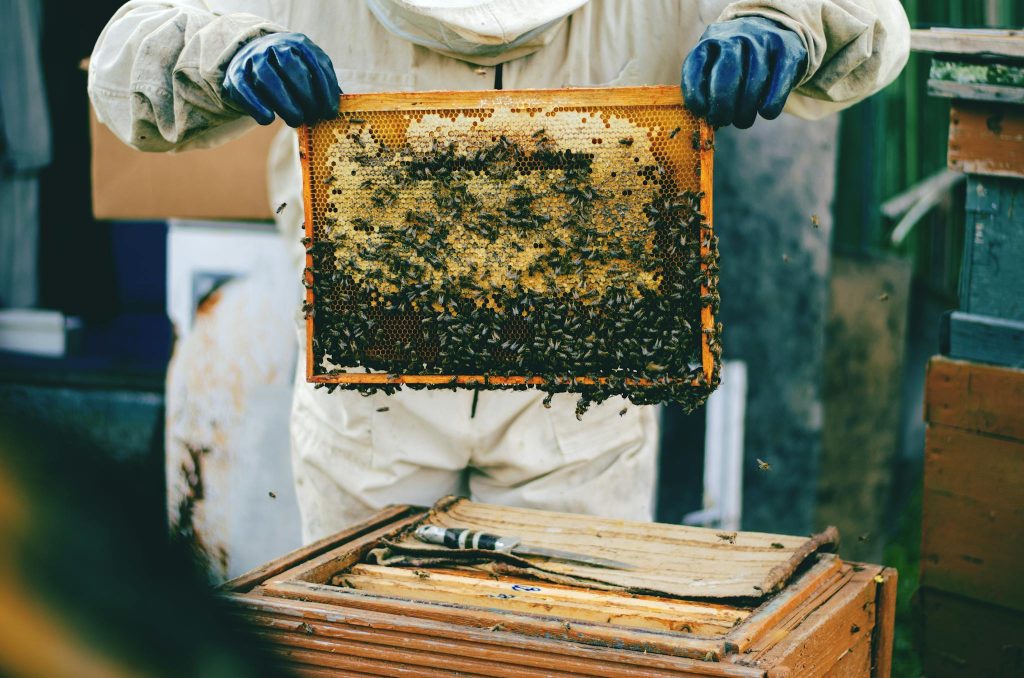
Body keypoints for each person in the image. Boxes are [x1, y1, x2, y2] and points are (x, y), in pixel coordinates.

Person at [90, 0, 910, 544]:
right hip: (374, 384)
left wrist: (781, 24)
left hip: (588, 389)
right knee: (383, 647)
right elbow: (127, 54)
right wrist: (229, 49)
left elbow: (870, 20)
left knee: (555, 643)